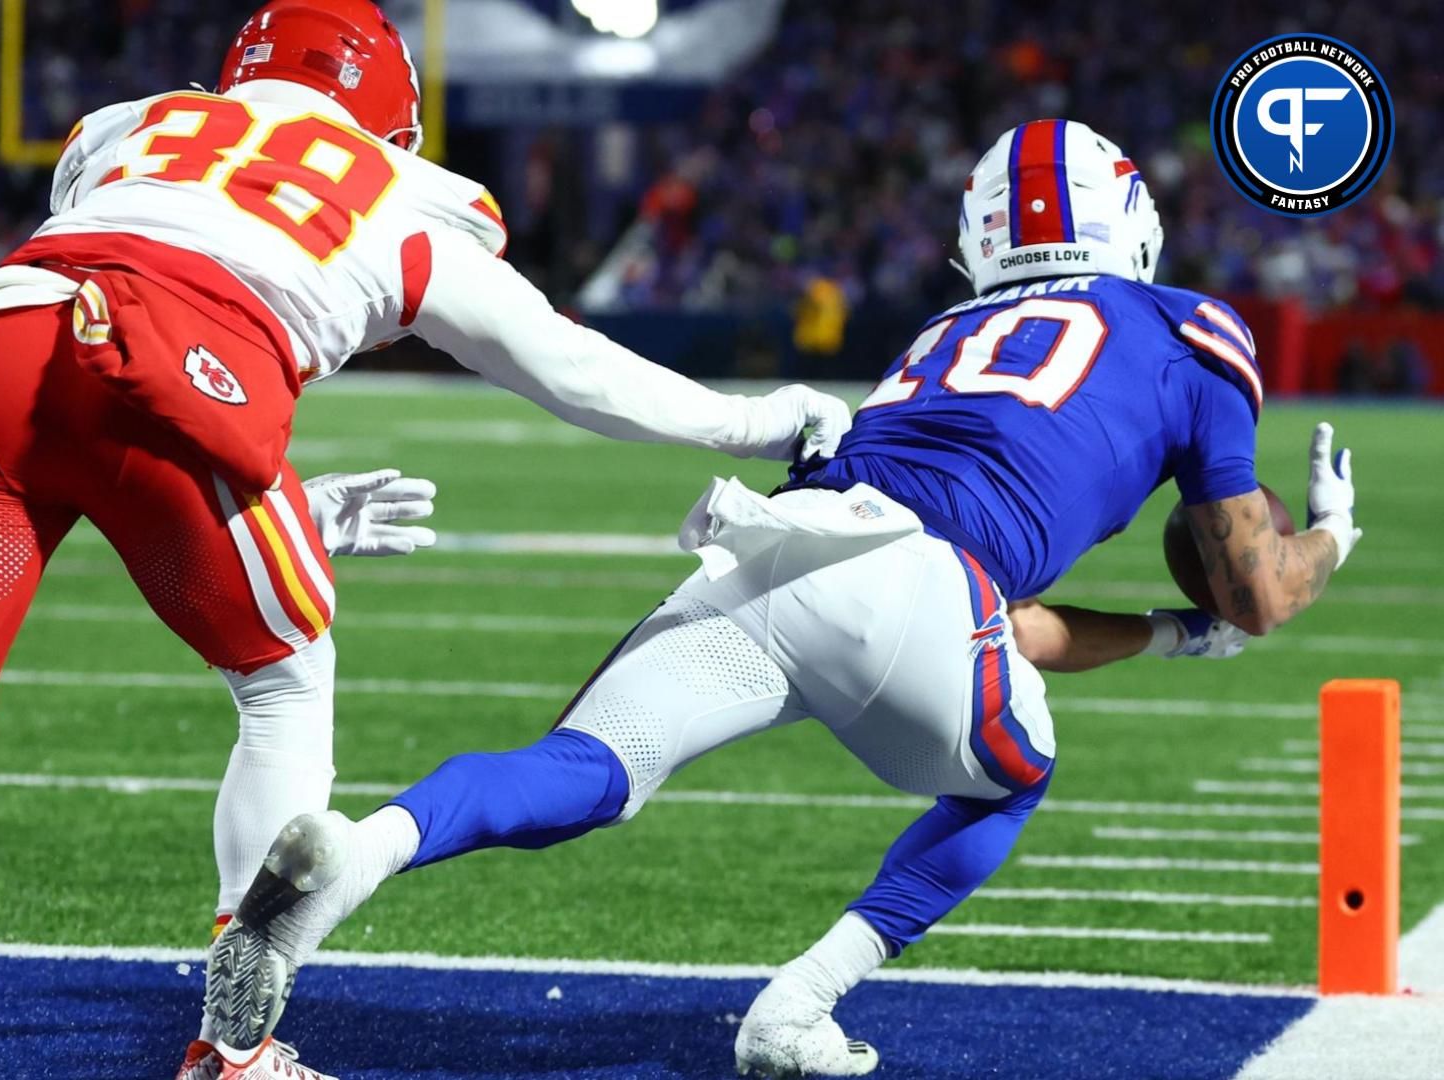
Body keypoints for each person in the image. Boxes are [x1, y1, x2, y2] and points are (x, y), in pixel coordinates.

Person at [0, 4, 851, 1078]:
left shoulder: (133, 125)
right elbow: (571, 370)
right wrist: (763, 418)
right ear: (392, 114)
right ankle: (236, 1044)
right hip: (174, 375)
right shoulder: (413, 201)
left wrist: (277, 507)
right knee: (283, 679)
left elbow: (132, 254)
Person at [203, 119, 1365, 1079]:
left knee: (583, 767)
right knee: (1013, 777)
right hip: (927, 590)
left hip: (780, 540)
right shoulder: (1191, 329)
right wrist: (1330, 539)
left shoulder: (946, 332)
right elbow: (1258, 590)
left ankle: (350, 862)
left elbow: (1005, 632)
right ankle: (796, 1011)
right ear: (1137, 221)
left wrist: (1169, 634)